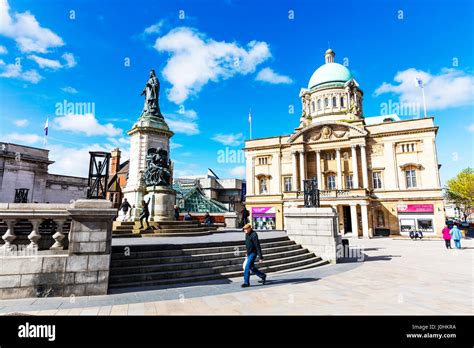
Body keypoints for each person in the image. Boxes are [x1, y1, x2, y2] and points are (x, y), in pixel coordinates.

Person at [242, 223, 266, 288]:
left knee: (247, 267)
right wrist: (247, 253)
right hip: (249, 253)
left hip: (253, 253)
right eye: (244, 229)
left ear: (250, 228)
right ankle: (262, 276)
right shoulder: (246, 234)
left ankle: (246, 282)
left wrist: (260, 257)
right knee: (252, 268)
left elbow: (257, 246)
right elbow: (248, 245)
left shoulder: (254, 234)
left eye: (246, 229)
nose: (245, 230)